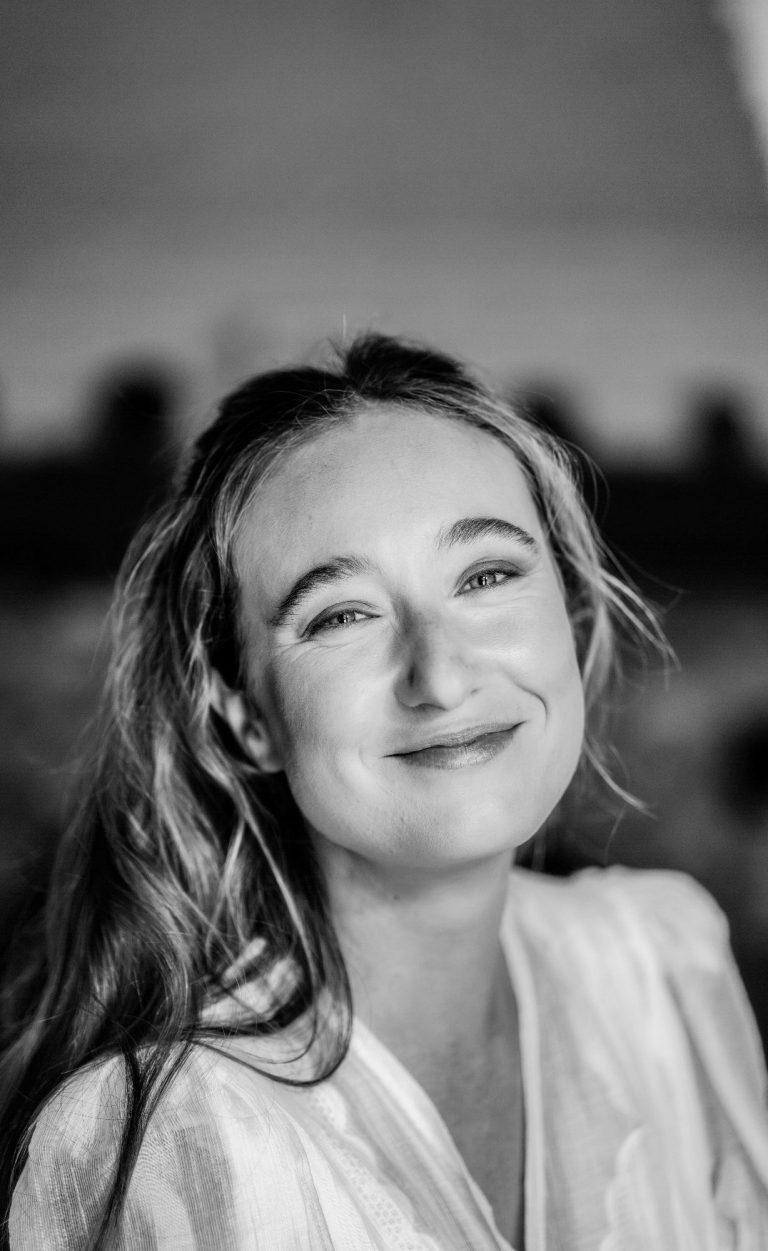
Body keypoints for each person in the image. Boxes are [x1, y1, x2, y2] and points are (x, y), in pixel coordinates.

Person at [2, 333, 767, 1250]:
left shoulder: (663, 960)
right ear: (245, 715)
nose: (440, 676)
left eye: (485, 576)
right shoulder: (180, 1138)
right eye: (342, 615)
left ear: (567, 615)